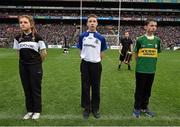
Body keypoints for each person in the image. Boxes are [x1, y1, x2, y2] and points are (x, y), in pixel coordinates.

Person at [13, 15, 47, 120]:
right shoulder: (17, 38)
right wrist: (24, 62)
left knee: (35, 89)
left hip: (35, 67)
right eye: (21, 22)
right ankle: (29, 110)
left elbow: (44, 53)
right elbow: (18, 52)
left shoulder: (37, 37)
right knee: (27, 89)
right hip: (23, 67)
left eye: (25, 22)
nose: (22, 24)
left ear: (31, 24)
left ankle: (37, 111)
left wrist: (36, 63)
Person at [77, 14, 107, 119]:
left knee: (96, 87)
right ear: (87, 23)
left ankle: (95, 108)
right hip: (85, 64)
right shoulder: (82, 36)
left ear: (97, 23)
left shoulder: (101, 38)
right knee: (85, 87)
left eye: (94, 21)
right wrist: (83, 57)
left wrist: (96, 60)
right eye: (90, 21)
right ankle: (86, 108)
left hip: (96, 65)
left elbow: (102, 52)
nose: (92, 23)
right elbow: (80, 49)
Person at [133, 18, 161, 118]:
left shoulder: (158, 40)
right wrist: (140, 64)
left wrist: (150, 64)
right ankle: (136, 108)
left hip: (151, 70)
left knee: (147, 91)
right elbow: (135, 54)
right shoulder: (140, 39)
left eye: (155, 26)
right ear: (146, 26)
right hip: (141, 70)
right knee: (139, 90)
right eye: (151, 25)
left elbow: (157, 54)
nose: (154, 27)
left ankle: (144, 108)